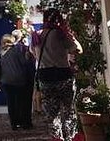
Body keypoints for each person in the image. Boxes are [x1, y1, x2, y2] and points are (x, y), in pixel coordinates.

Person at [33, 9, 83, 141]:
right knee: (68, 111)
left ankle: (57, 138)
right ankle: (70, 138)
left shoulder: (36, 35)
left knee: (52, 114)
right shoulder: (60, 34)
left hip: (45, 76)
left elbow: (33, 53)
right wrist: (70, 35)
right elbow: (77, 49)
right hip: (62, 74)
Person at [0, 33, 35, 130]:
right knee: (21, 101)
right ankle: (24, 122)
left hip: (6, 81)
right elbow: (24, 63)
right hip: (20, 79)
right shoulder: (17, 51)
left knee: (11, 102)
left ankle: (14, 123)